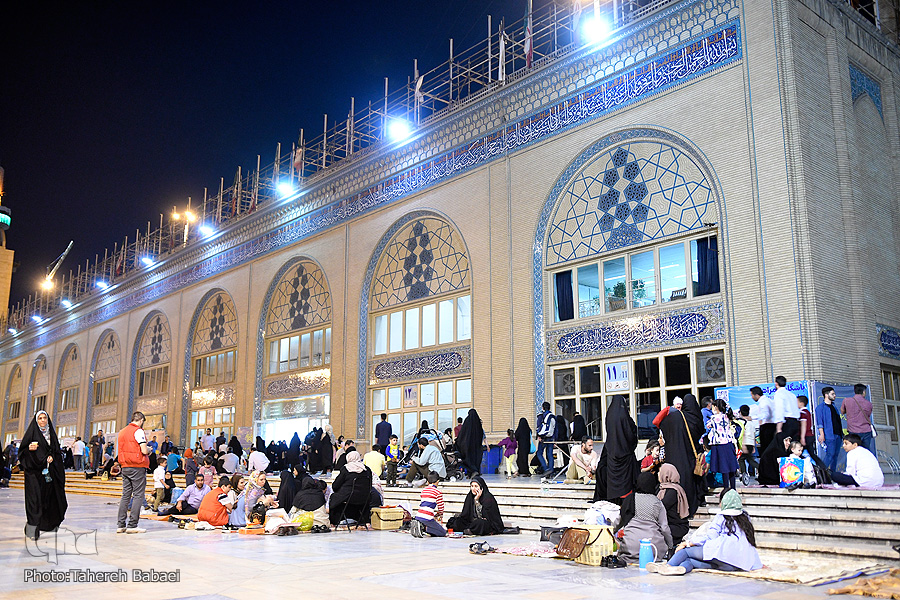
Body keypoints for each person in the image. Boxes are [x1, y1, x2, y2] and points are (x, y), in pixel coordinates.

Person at [650, 489, 762, 576]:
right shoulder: (745, 516)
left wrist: (687, 543)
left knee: (686, 552)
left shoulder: (722, 517)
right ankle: (681, 568)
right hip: (734, 565)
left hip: (722, 554)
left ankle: (667, 566)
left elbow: (710, 537)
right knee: (691, 561)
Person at [20, 411, 67, 541]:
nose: (42, 420)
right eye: (40, 418)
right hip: (34, 475)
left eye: (44, 418)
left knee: (48, 500)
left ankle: (47, 524)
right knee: (34, 502)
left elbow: (57, 452)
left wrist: (52, 457)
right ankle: (32, 530)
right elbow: (22, 454)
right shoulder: (31, 435)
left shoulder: (51, 435)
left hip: (48, 474)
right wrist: (29, 449)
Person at [658, 394, 704, 515]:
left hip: (672, 455)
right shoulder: (695, 418)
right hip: (688, 456)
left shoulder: (674, 417)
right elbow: (700, 432)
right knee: (689, 480)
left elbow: (660, 425)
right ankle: (690, 508)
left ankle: (676, 508)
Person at [616, 472, 672, 564]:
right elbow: (664, 528)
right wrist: (670, 545)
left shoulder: (630, 499)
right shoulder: (657, 502)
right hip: (653, 547)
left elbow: (619, 521)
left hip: (631, 547)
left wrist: (611, 532)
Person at [116, 411, 151, 534]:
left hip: (125, 466)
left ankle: (121, 525)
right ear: (141, 420)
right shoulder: (138, 431)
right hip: (137, 466)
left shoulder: (122, 431)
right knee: (138, 495)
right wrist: (149, 449)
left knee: (125, 495)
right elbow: (144, 450)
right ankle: (132, 525)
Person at [603, 395, 639, 504]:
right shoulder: (624, 417)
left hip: (612, 453)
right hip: (625, 453)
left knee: (614, 480)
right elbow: (631, 433)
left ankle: (614, 500)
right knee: (626, 481)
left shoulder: (609, 416)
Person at [329, 451, 374, 527]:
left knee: (334, 498)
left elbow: (335, 486)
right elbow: (370, 485)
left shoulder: (346, 469)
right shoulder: (367, 469)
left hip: (349, 497)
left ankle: (335, 521)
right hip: (364, 498)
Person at [706, 398, 738, 490]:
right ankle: (733, 488)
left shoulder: (714, 418)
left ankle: (726, 488)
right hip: (729, 443)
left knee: (724, 468)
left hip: (719, 444)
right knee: (731, 467)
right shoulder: (727, 416)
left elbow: (708, 425)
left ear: (716, 407)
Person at [657, 464, 690, 545]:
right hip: (668, 525)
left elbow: (661, 507)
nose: (658, 474)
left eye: (660, 472)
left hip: (676, 526)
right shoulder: (662, 489)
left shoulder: (672, 491)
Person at [410, 471, 447, 538]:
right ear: (437, 482)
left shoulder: (424, 490)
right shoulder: (438, 492)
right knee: (442, 532)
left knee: (434, 526)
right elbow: (441, 508)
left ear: (427, 482)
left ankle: (420, 526)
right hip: (427, 518)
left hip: (419, 515)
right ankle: (424, 528)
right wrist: (439, 514)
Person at [815, 386, 844, 472]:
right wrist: (822, 434)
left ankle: (832, 474)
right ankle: (821, 473)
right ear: (826, 395)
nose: (835, 395)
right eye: (832, 394)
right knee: (830, 454)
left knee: (835, 456)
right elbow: (820, 422)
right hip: (829, 435)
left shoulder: (834, 406)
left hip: (838, 434)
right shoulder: (820, 408)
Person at [842, 384, 875, 455]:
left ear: (855, 391)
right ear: (863, 392)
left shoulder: (847, 401)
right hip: (866, 431)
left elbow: (842, 411)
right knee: (865, 452)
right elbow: (868, 415)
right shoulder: (868, 404)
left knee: (853, 452)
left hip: (853, 431)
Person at [456, 409, 485, 477]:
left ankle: (471, 472)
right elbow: (481, 435)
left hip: (468, 446)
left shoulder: (467, 421)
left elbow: (462, 434)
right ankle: (475, 471)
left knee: (468, 458)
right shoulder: (478, 423)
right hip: (477, 446)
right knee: (476, 459)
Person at [751, 386, 777, 458]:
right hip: (771, 426)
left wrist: (752, 417)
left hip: (767, 426)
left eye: (752, 395)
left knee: (766, 448)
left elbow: (765, 415)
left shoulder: (763, 402)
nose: (752, 397)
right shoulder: (768, 400)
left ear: (756, 395)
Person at [773, 376, 800, 440]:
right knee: (794, 444)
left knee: (784, 443)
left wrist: (779, 428)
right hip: (795, 422)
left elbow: (780, 410)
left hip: (786, 423)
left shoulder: (779, 394)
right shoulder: (792, 395)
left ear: (776, 383)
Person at [535, 402, 557, 474]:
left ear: (543, 408)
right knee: (550, 454)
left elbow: (538, 426)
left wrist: (538, 436)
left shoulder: (541, 416)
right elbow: (555, 429)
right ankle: (551, 469)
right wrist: (555, 439)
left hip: (543, 438)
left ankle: (545, 468)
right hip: (551, 437)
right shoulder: (553, 417)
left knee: (539, 453)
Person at [738, 405, 759, 479]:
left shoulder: (741, 422)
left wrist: (743, 445)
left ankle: (744, 474)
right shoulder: (751, 423)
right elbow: (753, 434)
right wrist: (753, 446)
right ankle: (745, 474)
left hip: (745, 443)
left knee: (742, 459)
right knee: (749, 459)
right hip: (750, 444)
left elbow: (742, 434)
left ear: (740, 412)